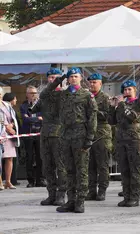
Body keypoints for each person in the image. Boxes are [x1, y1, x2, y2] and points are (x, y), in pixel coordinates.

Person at [46, 67, 97, 213]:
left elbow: (92, 118)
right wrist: (57, 80)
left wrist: (89, 138)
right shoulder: (63, 95)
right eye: (71, 77)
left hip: (80, 135)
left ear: (80, 78)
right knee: (69, 170)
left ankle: (80, 201)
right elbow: (46, 94)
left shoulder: (87, 96)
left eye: (76, 76)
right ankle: (71, 200)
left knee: (81, 170)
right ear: (67, 79)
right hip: (65, 135)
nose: (73, 79)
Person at [31, 68, 67, 206]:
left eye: (55, 78)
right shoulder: (45, 95)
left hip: (58, 134)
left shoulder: (63, 95)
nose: (52, 80)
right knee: (47, 166)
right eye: (50, 78)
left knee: (61, 166)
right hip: (45, 134)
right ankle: (51, 194)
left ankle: (61, 194)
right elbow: (34, 109)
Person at [110, 79, 140, 207]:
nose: (127, 92)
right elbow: (112, 121)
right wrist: (112, 106)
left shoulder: (138, 103)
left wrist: (122, 105)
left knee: (134, 169)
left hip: (134, 141)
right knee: (124, 170)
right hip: (121, 140)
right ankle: (126, 196)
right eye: (125, 90)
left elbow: (132, 117)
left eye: (129, 89)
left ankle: (135, 197)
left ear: (134, 90)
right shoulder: (120, 105)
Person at [85, 73, 112, 201]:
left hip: (102, 135)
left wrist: (94, 111)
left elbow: (108, 116)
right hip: (88, 134)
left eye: (94, 82)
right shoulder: (86, 97)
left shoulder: (105, 98)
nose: (92, 84)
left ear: (100, 84)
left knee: (102, 165)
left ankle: (102, 190)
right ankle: (91, 190)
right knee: (90, 165)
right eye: (90, 82)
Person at [20, 86, 45, 188]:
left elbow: (43, 118)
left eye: (35, 92)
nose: (34, 94)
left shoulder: (41, 104)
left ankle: (41, 179)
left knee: (40, 157)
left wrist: (32, 118)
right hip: (28, 134)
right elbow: (25, 120)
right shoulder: (23, 106)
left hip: (39, 133)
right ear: (27, 94)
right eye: (31, 93)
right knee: (29, 157)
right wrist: (37, 119)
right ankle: (31, 180)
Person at [0, 88, 20, 189]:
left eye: (0, 93)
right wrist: (7, 127)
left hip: (9, 136)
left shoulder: (6, 105)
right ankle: (0, 182)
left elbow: (13, 117)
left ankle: (8, 181)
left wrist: (12, 125)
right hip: (1, 134)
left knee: (9, 158)